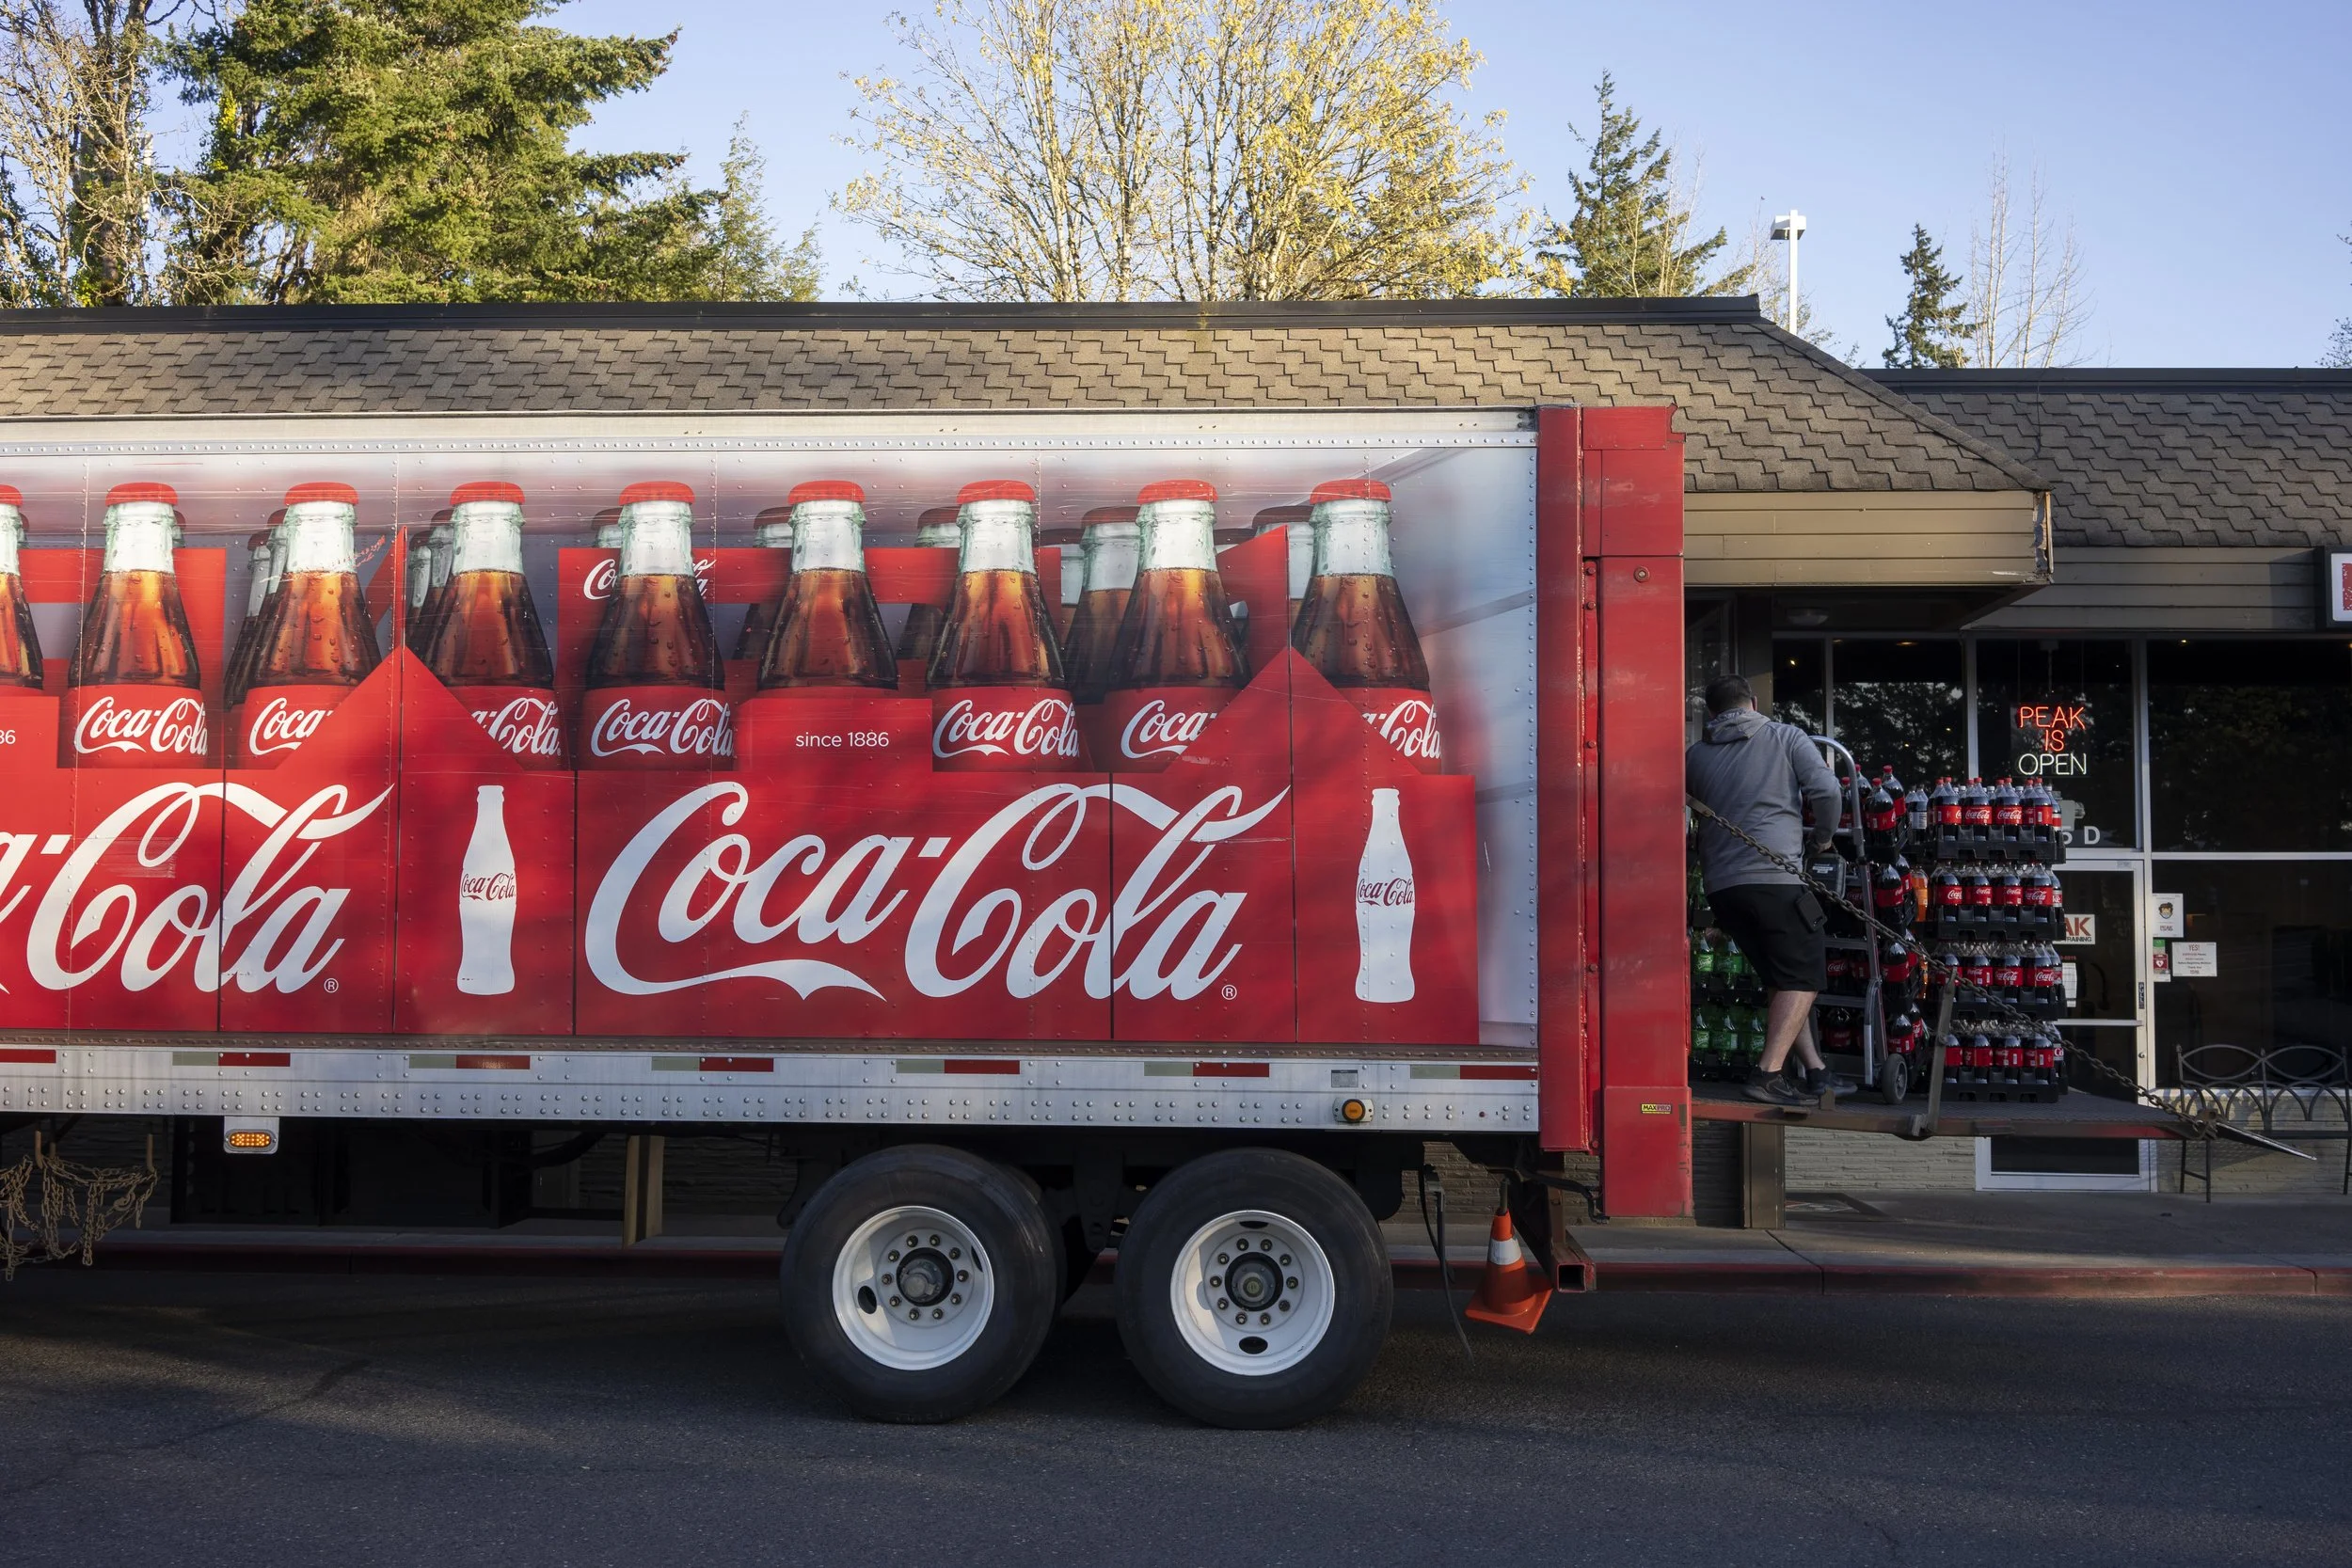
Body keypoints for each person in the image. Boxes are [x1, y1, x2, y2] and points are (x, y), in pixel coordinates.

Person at [1686, 674, 1855, 1106]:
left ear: (1711, 713)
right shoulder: (1786, 737)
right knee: (1804, 977)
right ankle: (1767, 1075)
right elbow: (1827, 791)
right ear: (1754, 702)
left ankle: (1817, 1073)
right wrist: (1822, 837)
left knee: (1784, 981)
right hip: (1775, 880)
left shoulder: (1695, 755)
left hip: (1722, 890)